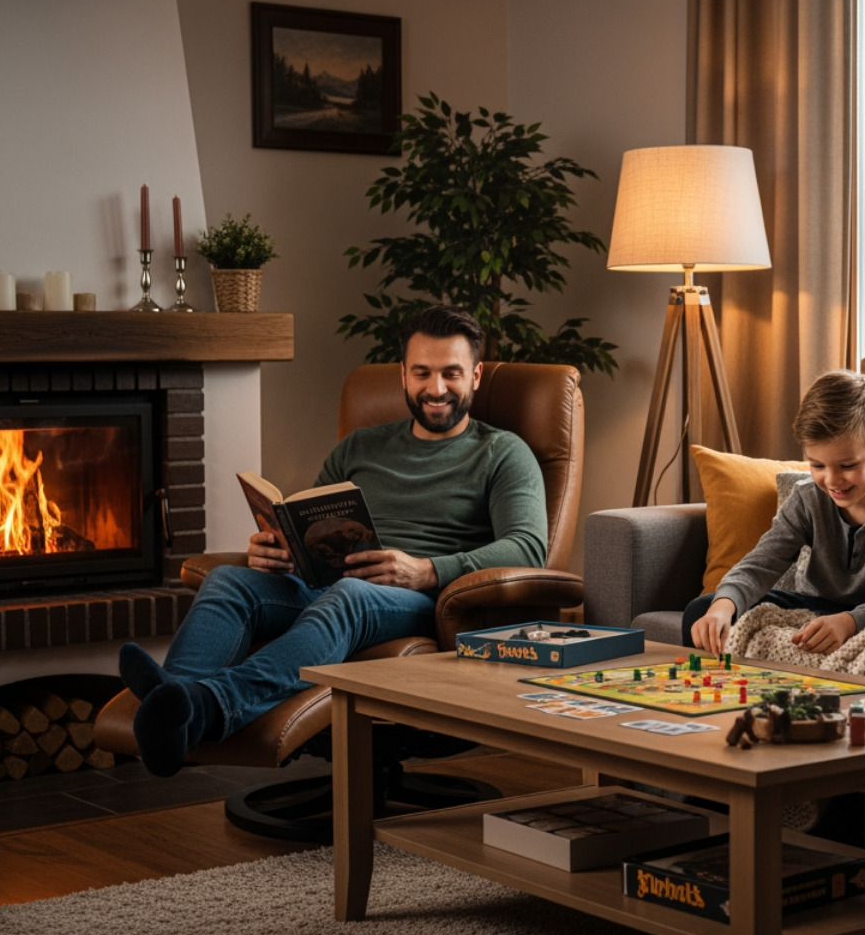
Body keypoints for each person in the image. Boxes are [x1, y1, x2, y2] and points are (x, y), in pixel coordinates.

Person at [120, 305, 548, 776]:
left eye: (452, 373)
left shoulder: (502, 453)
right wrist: (278, 550)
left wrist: (426, 570)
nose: (437, 388)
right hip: (328, 585)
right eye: (422, 373)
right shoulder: (360, 447)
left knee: (350, 595)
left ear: (476, 376)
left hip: (422, 600)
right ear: (403, 374)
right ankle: (173, 704)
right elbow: (309, 523)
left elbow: (528, 548)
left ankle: (208, 704)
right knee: (228, 580)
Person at [684, 370, 865, 657]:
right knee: (702, 609)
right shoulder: (807, 498)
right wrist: (722, 607)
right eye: (817, 466)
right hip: (814, 605)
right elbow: (761, 563)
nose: (832, 480)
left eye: (847, 465)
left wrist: (849, 622)